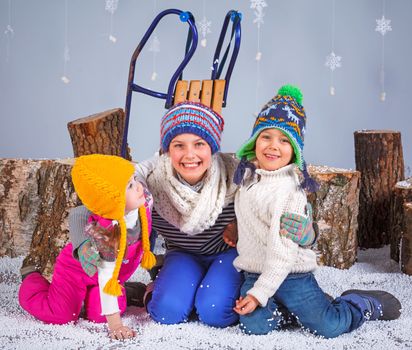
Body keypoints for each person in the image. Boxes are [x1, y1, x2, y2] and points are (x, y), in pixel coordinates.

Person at [69, 101, 316, 328]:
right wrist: (83, 243)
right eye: (179, 145)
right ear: (166, 150)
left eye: (199, 144)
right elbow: (84, 210)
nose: (190, 155)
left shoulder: (237, 174)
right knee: (166, 312)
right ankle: (158, 286)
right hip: (183, 254)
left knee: (216, 313)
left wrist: (306, 234)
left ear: (213, 148)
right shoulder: (151, 183)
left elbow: (283, 195)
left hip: (227, 255)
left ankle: (209, 292)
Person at [231, 84, 402, 338]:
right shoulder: (246, 176)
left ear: (296, 150)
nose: (272, 146)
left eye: (284, 140)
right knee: (253, 325)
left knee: (328, 326)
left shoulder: (289, 190)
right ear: (254, 140)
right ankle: (298, 308)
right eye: (265, 136)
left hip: (291, 274)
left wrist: (258, 294)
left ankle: (359, 304)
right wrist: (235, 228)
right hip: (254, 271)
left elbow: (282, 254)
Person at [18, 154, 155, 340]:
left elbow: (151, 166)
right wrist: (115, 325)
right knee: (61, 314)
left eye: (134, 180)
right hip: (76, 272)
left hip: (103, 278)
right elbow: (106, 276)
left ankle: (114, 293)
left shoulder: (141, 203)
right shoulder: (106, 233)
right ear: (113, 202)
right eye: (130, 186)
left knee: (99, 315)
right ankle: (31, 279)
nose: (139, 187)